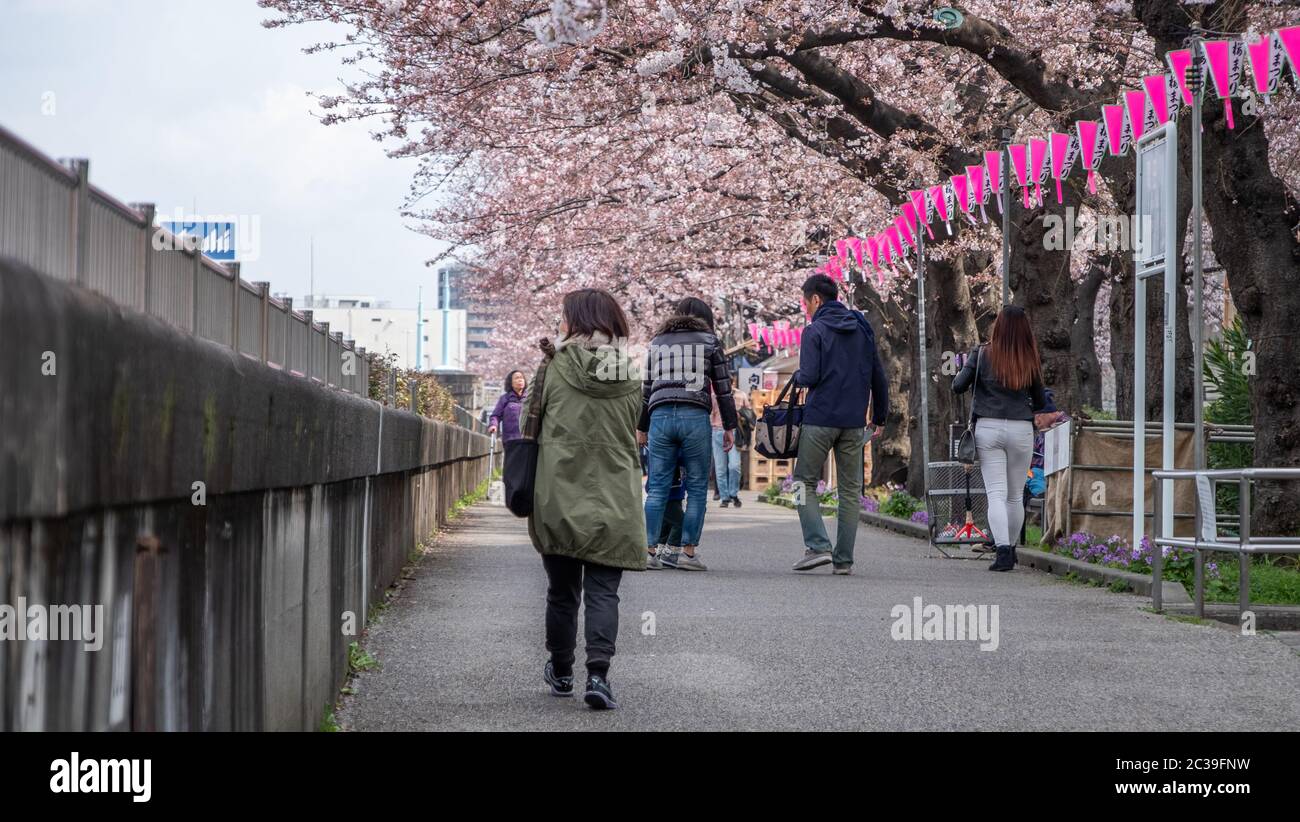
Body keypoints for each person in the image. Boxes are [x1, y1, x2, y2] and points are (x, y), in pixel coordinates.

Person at [528, 288, 645, 710]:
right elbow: (635, 427)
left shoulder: (553, 366)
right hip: (614, 496)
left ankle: (561, 671)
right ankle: (598, 676)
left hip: (559, 492)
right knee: (603, 591)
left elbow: (529, 425)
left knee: (562, 591)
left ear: (574, 321)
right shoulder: (631, 375)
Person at [790, 274, 889, 576]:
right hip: (853, 422)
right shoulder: (862, 328)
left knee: (801, 483)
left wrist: (798, 377)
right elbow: (878, 375)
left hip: (820, 419)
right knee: (849, 491)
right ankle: (843, 560)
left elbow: (809, 375)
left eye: (805, 302)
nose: (805, 308)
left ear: (816, 300)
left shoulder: (814, 330)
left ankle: (818, 545)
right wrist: (880, 416)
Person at [637, 297, 738, 572]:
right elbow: (723, 388)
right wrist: (730, 426)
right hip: (695, 416)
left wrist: (641, 426)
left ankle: (648, 551)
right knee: (696, 489)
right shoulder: (709, 341)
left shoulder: (657, 341)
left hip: (660, 416)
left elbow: (647, 388)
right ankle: (688, 553)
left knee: (657, 487)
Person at [952, 305, 1048, 572]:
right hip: (1021, 430)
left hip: (988, 427)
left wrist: (968, 370)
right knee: (1015, 495)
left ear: (998, 327)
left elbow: (958, 385)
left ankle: (1002, 550)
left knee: (995, 492)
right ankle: (1013, 549)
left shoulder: (982, 353)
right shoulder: (1029, 358)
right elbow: (1040, 400)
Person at [711, 389, 742, 508]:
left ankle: (733, 493)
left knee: (734, 466)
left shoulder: (740, 395)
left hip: (733, 432)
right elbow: (710, 414)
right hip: (717, 432)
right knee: (720, 468)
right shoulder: (713, 396)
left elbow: (748, 413)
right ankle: (724, 497)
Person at [487, 370, 527, 442]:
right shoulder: (505, 398)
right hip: (511, 440)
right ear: (511, 383)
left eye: (522, 377)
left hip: (528, 440)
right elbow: (496, 415)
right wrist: (493, 425)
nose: (520, 380)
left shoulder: (530, 399)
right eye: (517, 378)